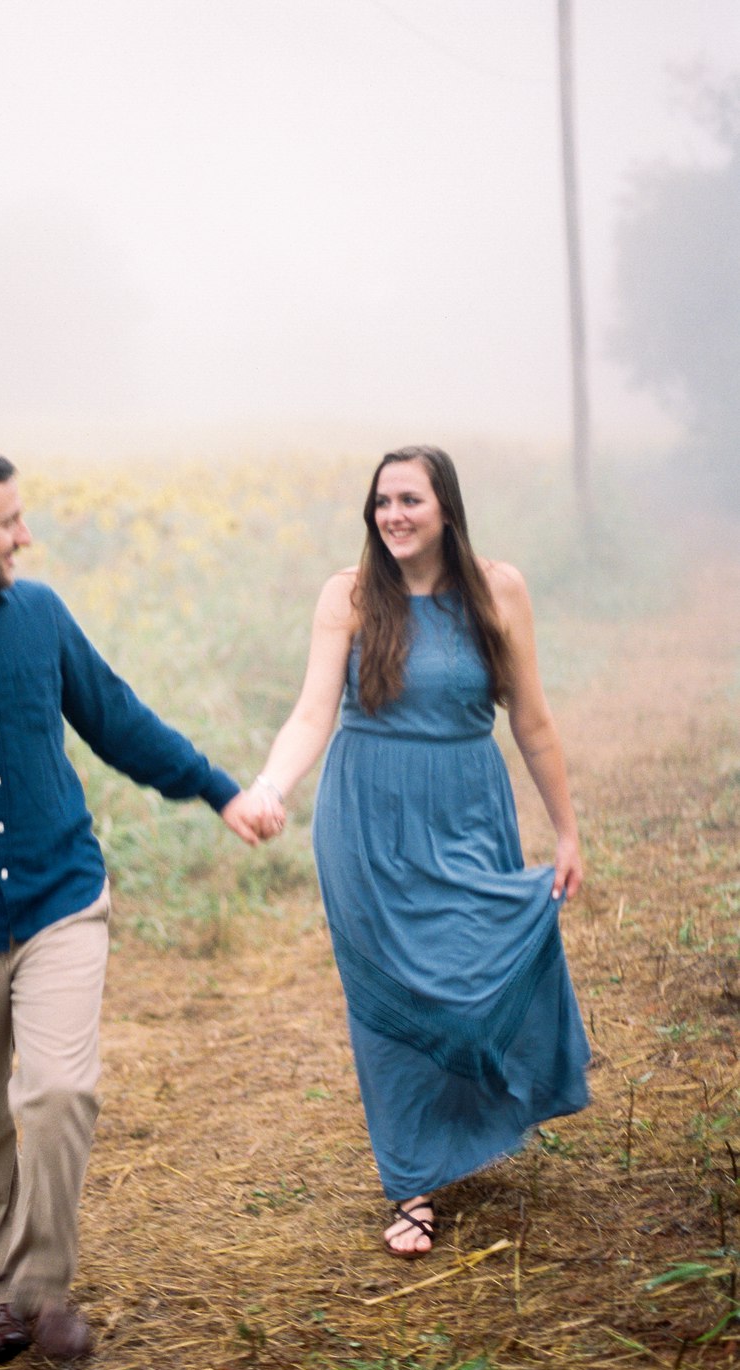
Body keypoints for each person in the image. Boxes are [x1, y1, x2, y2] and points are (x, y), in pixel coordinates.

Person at [0, 443, 264, 1363]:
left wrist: (218, 789)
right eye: (7, 522)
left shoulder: (42, 617)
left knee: (60, 1091)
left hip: (63, 898)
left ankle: (45, 1288)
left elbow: (116, 719)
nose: (24, 535)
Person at [230, 445, 590, 1257]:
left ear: (446, 508)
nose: (392, 515)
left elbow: (531, 721)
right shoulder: (351, 596)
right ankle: (414, 1184)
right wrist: (272, 786)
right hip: (367, 822)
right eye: (381, 501)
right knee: (391, 1001)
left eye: (409, 500)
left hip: (466, 810)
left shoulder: (499, 590)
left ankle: (471, 1121)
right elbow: (312, 713)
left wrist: (566, 830)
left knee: (468, 970)